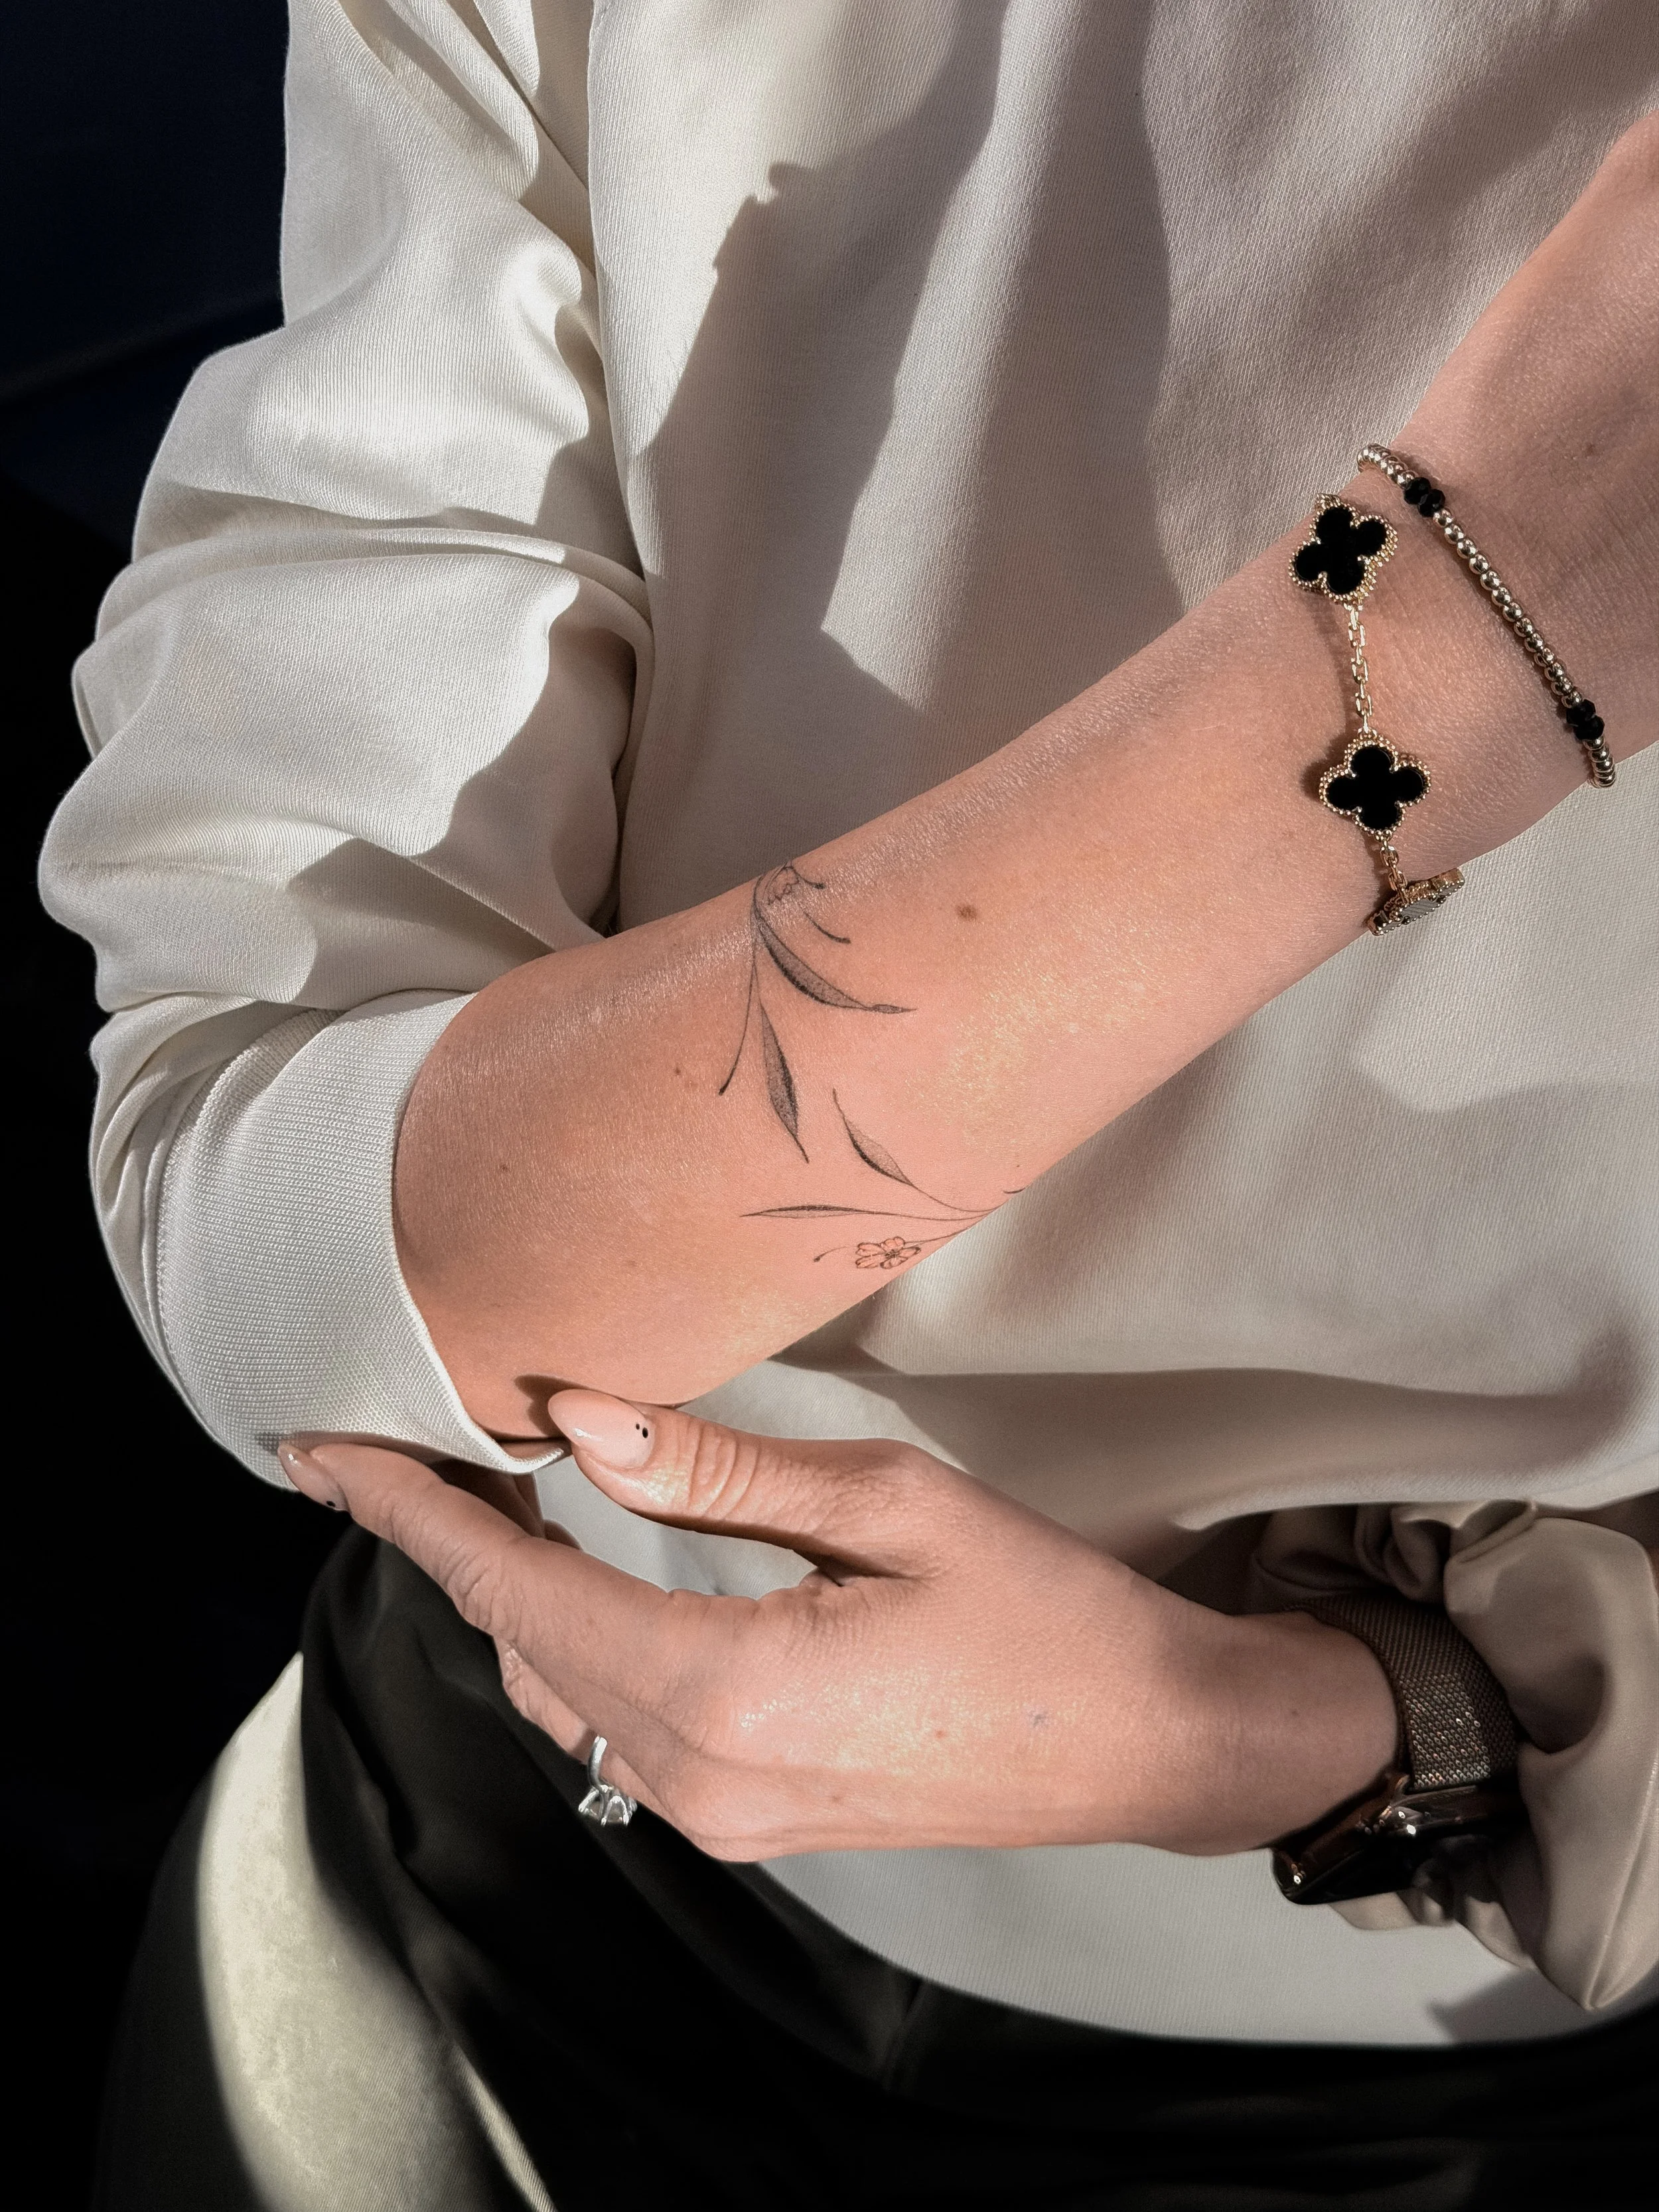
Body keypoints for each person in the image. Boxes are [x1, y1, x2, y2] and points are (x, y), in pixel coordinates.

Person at [42, 3, 1659, 2205]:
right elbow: (274, 1222)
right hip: (486, 1883)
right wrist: (1484, 614)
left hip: (1486, 2069)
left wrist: (1292, 1730)